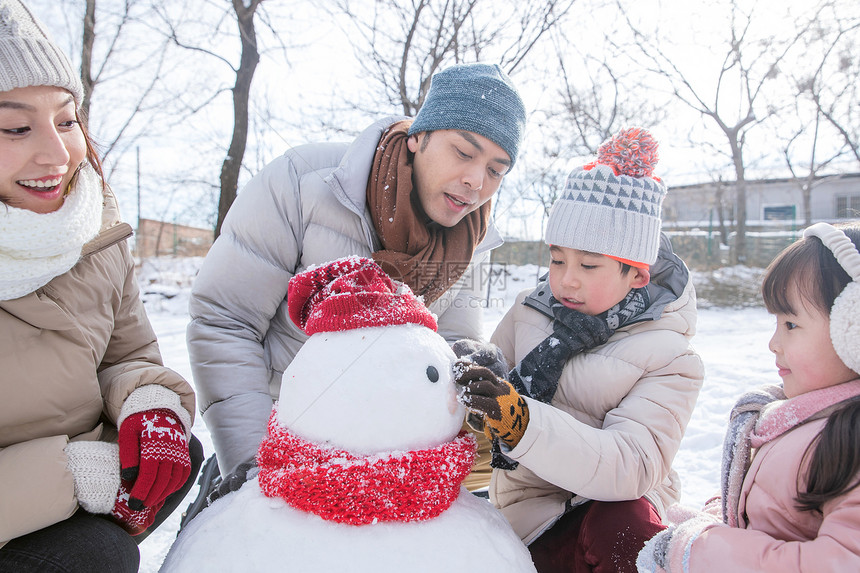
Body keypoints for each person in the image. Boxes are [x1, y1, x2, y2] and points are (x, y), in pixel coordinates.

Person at [185, 62, 527, 499]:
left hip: (389, 456)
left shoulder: (473, 239)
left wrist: (469, 364)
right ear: (419, 136)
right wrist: (258, 464)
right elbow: (224, 320)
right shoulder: (303, 182)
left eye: (496, 170)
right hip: (280, 434)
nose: (476, 182)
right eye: (464, 152)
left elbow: (450, 343)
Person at [0, 1, 203, 571]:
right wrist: (72, 473)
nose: (59, 154)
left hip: (69, 469)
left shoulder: (93, 230)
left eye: (66, 120)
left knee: (174, 455)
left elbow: (126, 352)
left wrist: (151, 403)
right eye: (16, 127)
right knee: (97, 554)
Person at [454, 127, 705, 572]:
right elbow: (494, 398)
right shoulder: (529, 313)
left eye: (589, 264)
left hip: (614, 509)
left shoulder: (671, 357)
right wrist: (479, 386)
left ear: (637, 276)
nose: (566, 279)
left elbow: (631, 465)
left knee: (621, 524)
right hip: (529, 511)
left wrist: (523, 423)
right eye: (556, 259)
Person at [637, 221, 860, 572]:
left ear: (854, 330)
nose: (773, 343)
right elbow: (768, 509)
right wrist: (708, 520)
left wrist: (698, 549)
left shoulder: (848, 440)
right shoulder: (802, 419)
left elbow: (840, 563)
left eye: (791, 325)